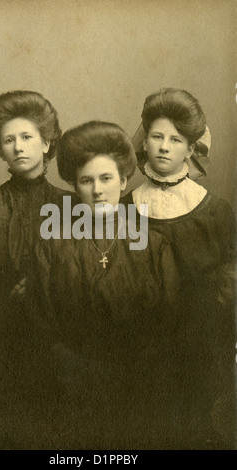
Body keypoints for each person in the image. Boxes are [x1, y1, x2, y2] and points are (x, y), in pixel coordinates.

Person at [32, 120, 183, 449]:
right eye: (86, 181)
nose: (97, 190)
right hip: (72, 388)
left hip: (141, 386)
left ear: (124, 180)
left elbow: (170, 321)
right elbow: (44, 322)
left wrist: (135, 372)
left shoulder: (155, 245)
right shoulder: (53, 246)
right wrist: (78, 371)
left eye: (106, 178)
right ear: (75, 185)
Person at [0, 90, 74, 449]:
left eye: (27, 137)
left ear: (47, 141)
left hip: (57, 348)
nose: (18, 147)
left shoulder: (75, 207)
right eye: (8, 140)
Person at [121, 88, 237, 449]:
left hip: (199, 344)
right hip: (139, 342)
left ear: (192, 148)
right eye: (157, 136)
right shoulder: (125, 207)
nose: (164, 146)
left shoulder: (216, 211)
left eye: (176, 139)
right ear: (145, 141)